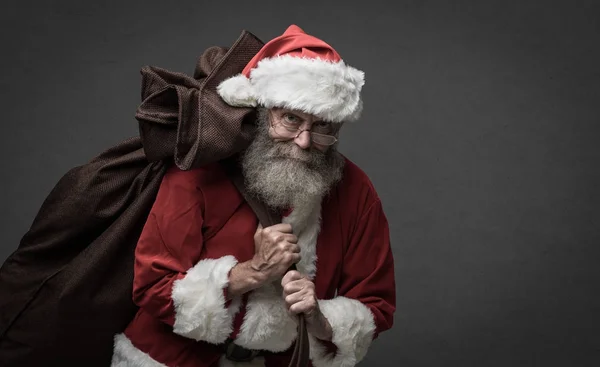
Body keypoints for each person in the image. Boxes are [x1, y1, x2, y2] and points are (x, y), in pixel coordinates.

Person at [110, 24, 396, 367]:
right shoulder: (199, 173)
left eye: (323, 126)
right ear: (262, 112)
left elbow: (375, 303)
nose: (304, 141)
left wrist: (320, 319)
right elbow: (152, 284)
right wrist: (251, 272)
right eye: (290, 118)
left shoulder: (355, 189)